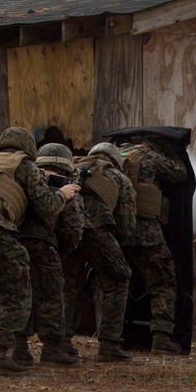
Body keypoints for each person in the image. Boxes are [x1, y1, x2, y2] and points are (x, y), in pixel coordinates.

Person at [0, 128, 79, 376]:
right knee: (40, 293)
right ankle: (48, 349)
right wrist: (63, 194)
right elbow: (47, 206)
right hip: (15, 235)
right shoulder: (25, 165)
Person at [12, 143, 85, 366]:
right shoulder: (66, 187)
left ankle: (20, 348)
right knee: (51, 296)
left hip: (16, 242)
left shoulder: (24, 178)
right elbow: (73, 228)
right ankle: (52, 349)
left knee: (21, 294)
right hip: (45, 246)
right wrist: (61, 251)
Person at [61, 143, 136, 362]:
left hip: (67, 229)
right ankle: (110, 344)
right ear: (115, 160)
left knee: (68, 285)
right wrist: (114, 246)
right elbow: (127, 223)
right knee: (118, 277)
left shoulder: (72, 168)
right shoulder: (120, 178)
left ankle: (61, 342)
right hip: (97, 231)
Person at [119, 137, 187, 355]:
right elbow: (179, 173)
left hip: (118, 231)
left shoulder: (115, 156)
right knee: (164, 281)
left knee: (117, 282)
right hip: (146, 232)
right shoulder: (150, 157)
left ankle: (113, 337)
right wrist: (176, 151)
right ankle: (161, 338)